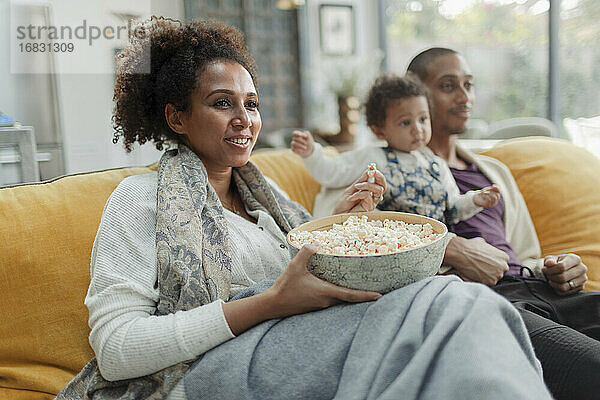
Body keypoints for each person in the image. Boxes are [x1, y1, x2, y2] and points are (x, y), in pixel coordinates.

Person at [56, 19, 552, 399]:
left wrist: (340, 220)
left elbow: (300, 260)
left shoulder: (262, 195)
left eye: (251, 104)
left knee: (460, 304)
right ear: (176, 117)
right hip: (211, 368)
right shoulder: (139, 200)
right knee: (451, 307)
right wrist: (270, 303)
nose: (244, 119)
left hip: (295, 336)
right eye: (222, 103)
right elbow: (116, 348)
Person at [407, 47, 600, 400]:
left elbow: (527, 254)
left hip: (537, 289)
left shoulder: (493, 173)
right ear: (415, 92)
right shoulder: (391, 170)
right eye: (448, 85)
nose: (464, 96)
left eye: (469, 84)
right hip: (484, 302)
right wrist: (453, 248)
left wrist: (560, 269)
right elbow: (347, 233)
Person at [291, 75, 501, 224]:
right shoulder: (372, 157)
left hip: (437, 247)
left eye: (422, 119)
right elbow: (331, 173)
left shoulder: (436, 165)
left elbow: (454, 208)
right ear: (379, 130)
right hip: (392, 243)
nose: (417, 129)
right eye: (405, 123)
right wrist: (311, 153)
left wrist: (476, 199)